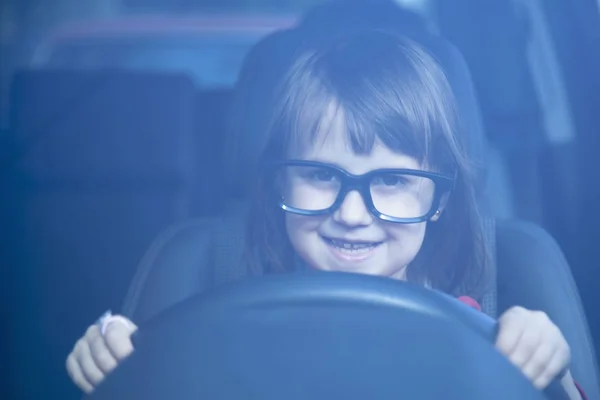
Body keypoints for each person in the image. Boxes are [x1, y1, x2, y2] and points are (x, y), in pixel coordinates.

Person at [65, 26, 587, 400]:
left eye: (392, 180)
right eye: (321, 176)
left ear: (440, 201)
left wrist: (548, 370)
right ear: (276, 185)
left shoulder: (485, 334)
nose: (353, 213)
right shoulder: (206, 320)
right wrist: (116, 359)